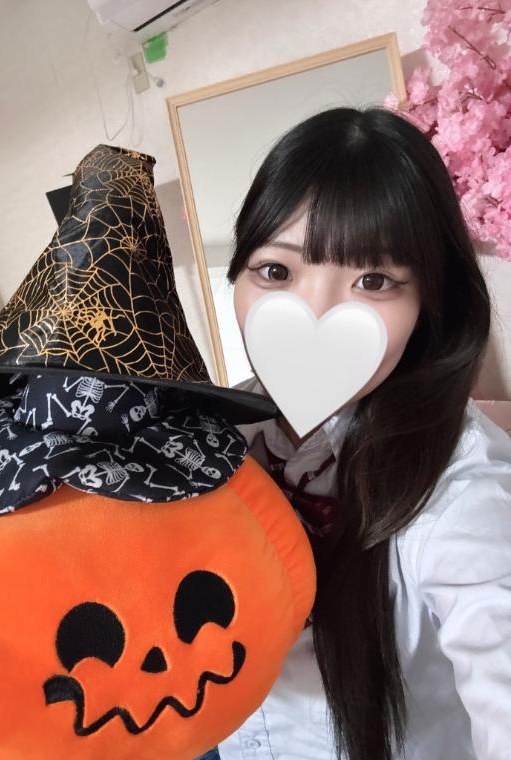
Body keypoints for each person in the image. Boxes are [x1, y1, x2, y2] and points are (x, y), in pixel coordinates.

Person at [197, 107, 511, 760]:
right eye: (276, 272)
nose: (313, 314)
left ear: (429, 302)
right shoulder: (211, 429)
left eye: (373, 281)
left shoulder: (460, 488)